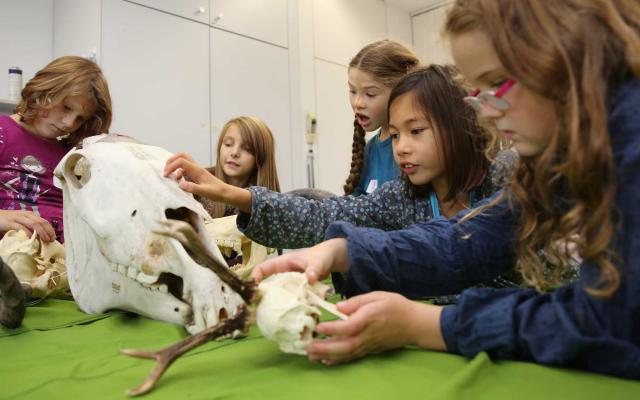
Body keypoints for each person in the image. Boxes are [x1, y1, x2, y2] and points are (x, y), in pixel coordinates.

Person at [250, 0, 640, 379]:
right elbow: (473, 238)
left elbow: (615, 322)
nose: (486, 111)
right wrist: (346, 250)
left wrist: (430, 325)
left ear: (568, 57)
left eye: (498, 84)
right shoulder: (562, 158)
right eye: (478, 93)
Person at [165, 66, 516, 253]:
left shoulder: (503, 181)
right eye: (395, 135)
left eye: (416, 131)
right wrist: (232, 194)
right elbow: (323, 215)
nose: (402, 147)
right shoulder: (398, 198)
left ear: (459, 125)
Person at [0, 56, 112, 243]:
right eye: (66, 107)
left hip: (61, 262)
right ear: (45, 90)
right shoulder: (3, 133)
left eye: (80, 118)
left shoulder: (72, 156)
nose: (69, 123)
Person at [343, 39, 420, 196]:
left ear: (400, 91)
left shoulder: (415, 148)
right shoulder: (369, 151)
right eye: (352, 91)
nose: (357, 103)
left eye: (370, 94)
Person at [194, 116, 281, 219]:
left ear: (260, 159)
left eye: (247, 149)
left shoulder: (267, 205)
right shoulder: (196, 184)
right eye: (228, 144)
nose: (234, 153)